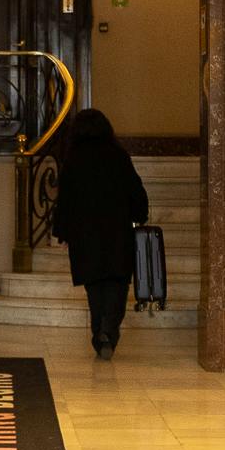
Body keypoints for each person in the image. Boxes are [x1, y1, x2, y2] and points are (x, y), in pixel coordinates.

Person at [49, 109, 149, 360]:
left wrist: (62, 232)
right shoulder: (118, 156)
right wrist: (140, 214)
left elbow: (65, 200)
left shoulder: (73, 159)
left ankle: (100, 332)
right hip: (117, 232)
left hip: (85, 235)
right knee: (117, 284)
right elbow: (136, 191)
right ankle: (108, 329)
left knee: (94, 289)